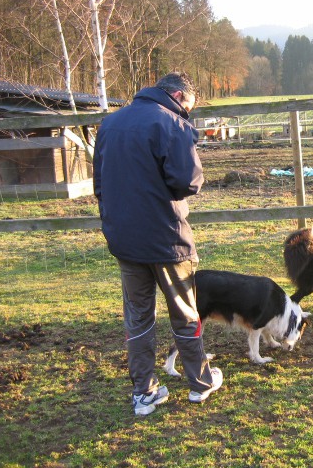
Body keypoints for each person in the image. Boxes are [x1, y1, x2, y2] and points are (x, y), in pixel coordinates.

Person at [93, 72, 223, 416]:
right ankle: (200, 383)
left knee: (137, 318)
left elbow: (100, 185)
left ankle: (144, 391)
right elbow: (188, 182)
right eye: (189, 108)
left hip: (124, 239)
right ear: (179, 96)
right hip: (167, 239)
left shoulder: (109, 125)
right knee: (184, 312)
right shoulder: (172, 124)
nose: (188, 114)